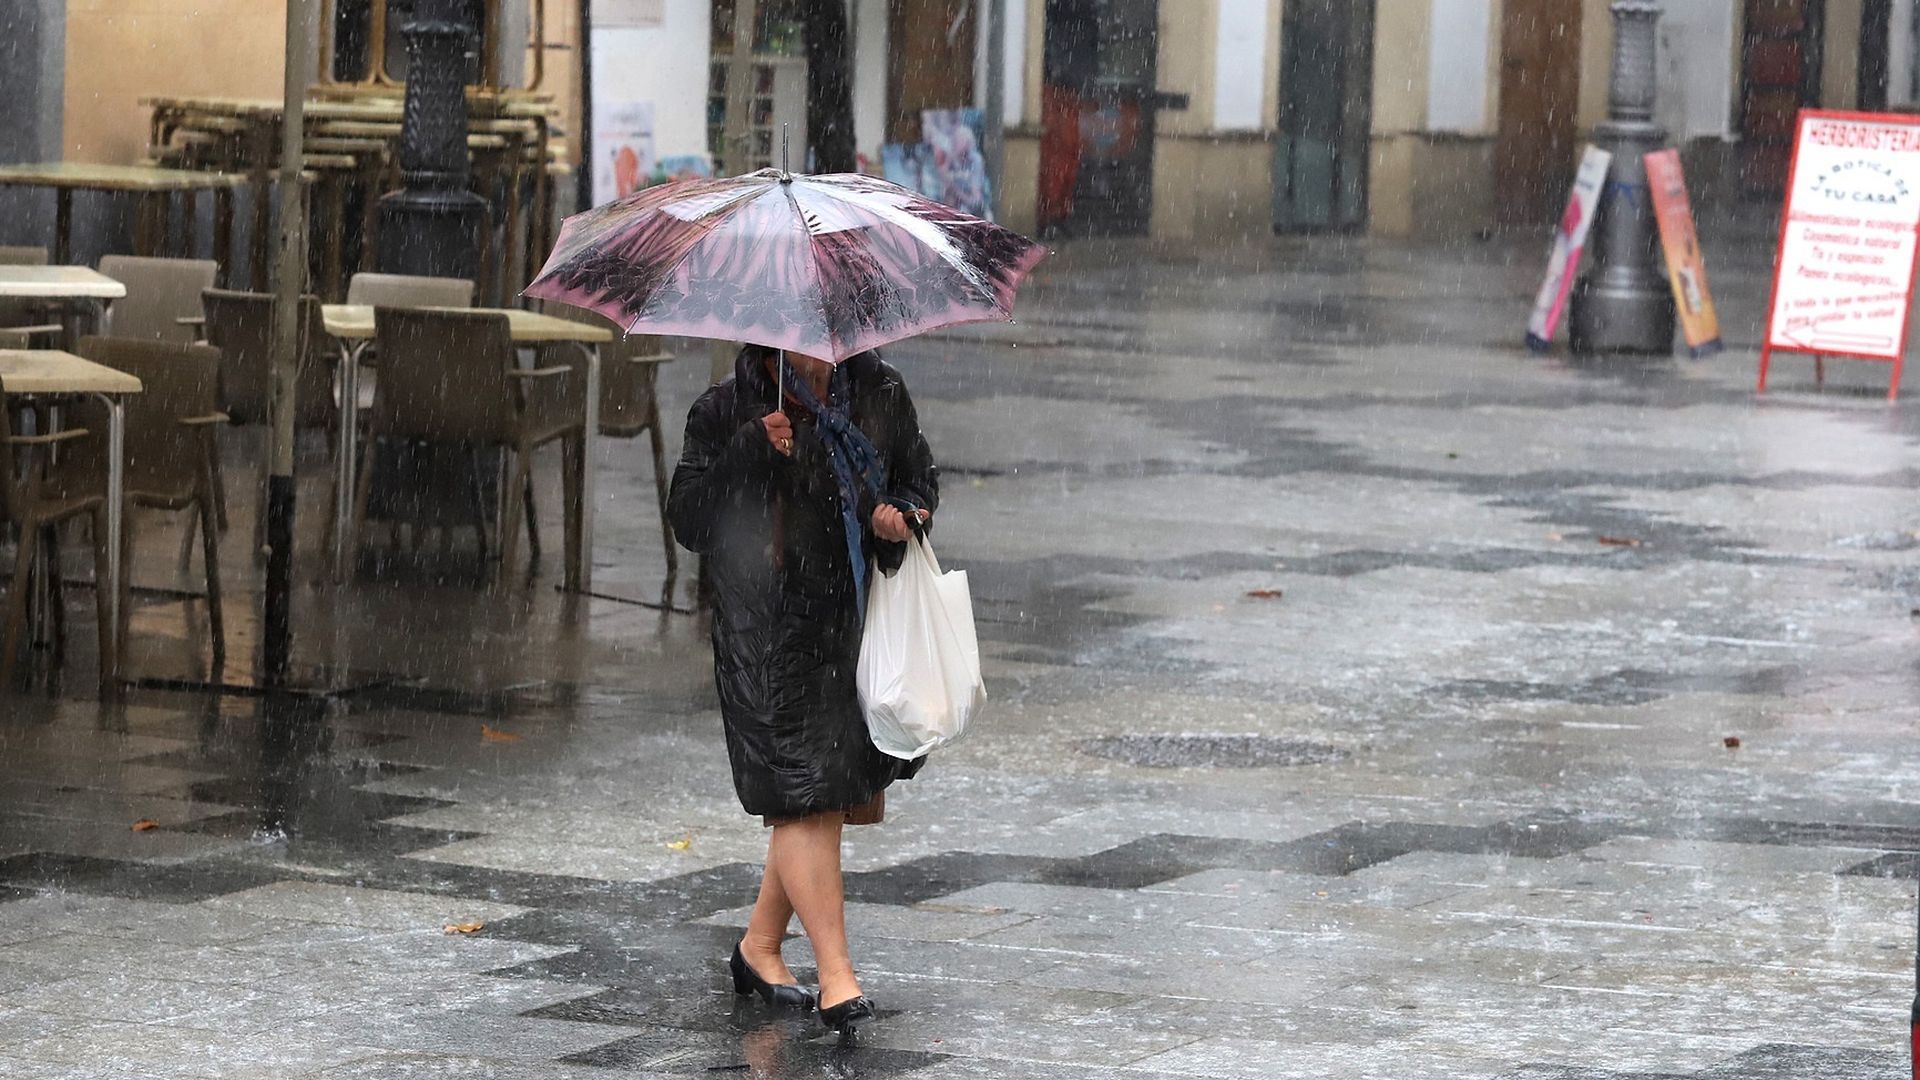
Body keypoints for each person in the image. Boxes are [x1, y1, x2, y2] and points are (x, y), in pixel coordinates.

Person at [667, 343, 940, 1035]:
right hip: (764, 630)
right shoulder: (730, 407)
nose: (819, 352)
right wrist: (751, 449)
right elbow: (691, 521)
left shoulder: (877, 391)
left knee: (820, 799)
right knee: (800, 797)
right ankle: (837, 977)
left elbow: (917, 481)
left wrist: (898, 516)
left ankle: (759, 948)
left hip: (848, 627)